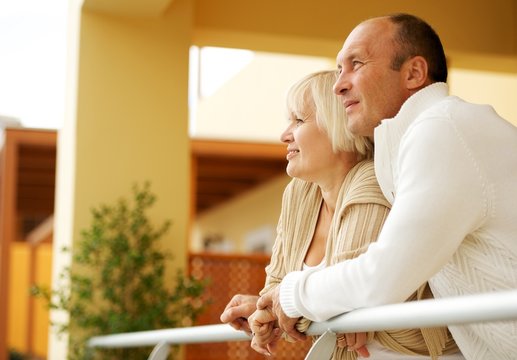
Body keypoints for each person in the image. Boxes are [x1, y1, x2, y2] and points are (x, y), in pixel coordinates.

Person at [256, 13, 517, 360]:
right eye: (338, 71)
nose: (339, 85)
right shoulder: (407, 146)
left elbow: (382, 278)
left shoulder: (442, 128)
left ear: (413, 73)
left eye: (356, 64)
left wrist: (291, 296)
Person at [221, 70, 461, 359]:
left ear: (336, 125)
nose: (285, 135)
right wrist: (265, 308)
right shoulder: (299, 193)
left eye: (298, 120)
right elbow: (279, 286)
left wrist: (273, 311)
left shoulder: (373, 178)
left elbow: (347, 300)